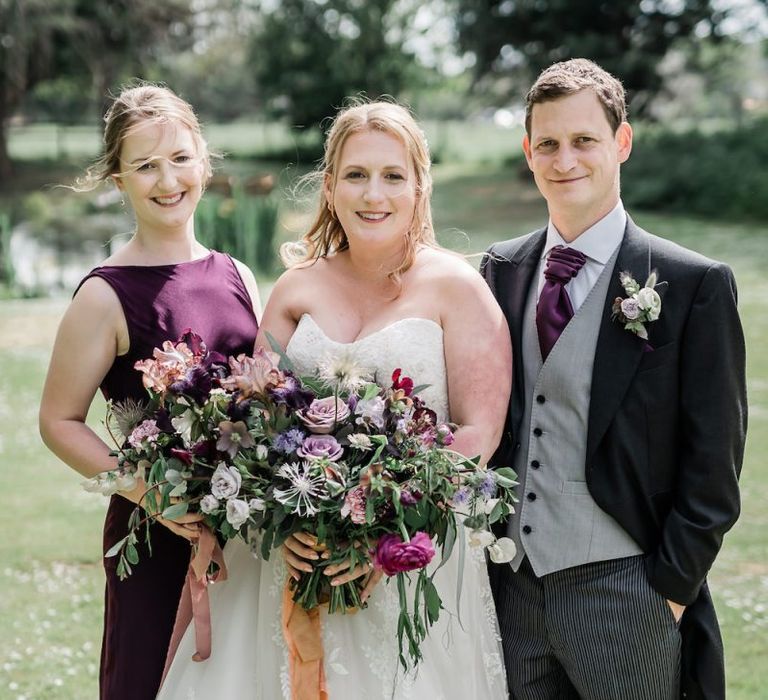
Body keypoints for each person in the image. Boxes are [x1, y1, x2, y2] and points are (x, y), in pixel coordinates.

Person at [158, 100, 512, 699]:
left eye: (393, 176)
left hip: (408, 560)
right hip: (289, 560)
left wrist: (385, 540)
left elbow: (478, 436)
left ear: (419, 186)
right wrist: (282, 516)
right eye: (356, 175)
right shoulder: (297, 289)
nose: (374, 194)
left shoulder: (459, 289)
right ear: (330, 186)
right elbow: (256, 415)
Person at [482, 58, 747, 700]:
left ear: (621, 142)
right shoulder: (501, 270)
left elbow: (715, 461)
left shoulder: (692, 285)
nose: (563, 158)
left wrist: (670, 593)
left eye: (584, 140)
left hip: (630, 592)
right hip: (509, 587)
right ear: (528, 151)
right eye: (547, 143)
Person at [38, 84, 261, 700]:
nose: (168, 180)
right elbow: (58, 420)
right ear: (118, 180)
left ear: (204, 162)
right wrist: (153, 494)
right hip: (155, 531)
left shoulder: (237, 274)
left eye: (181, 158)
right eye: (145, 165)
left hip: (245, 534)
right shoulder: (104, 294)